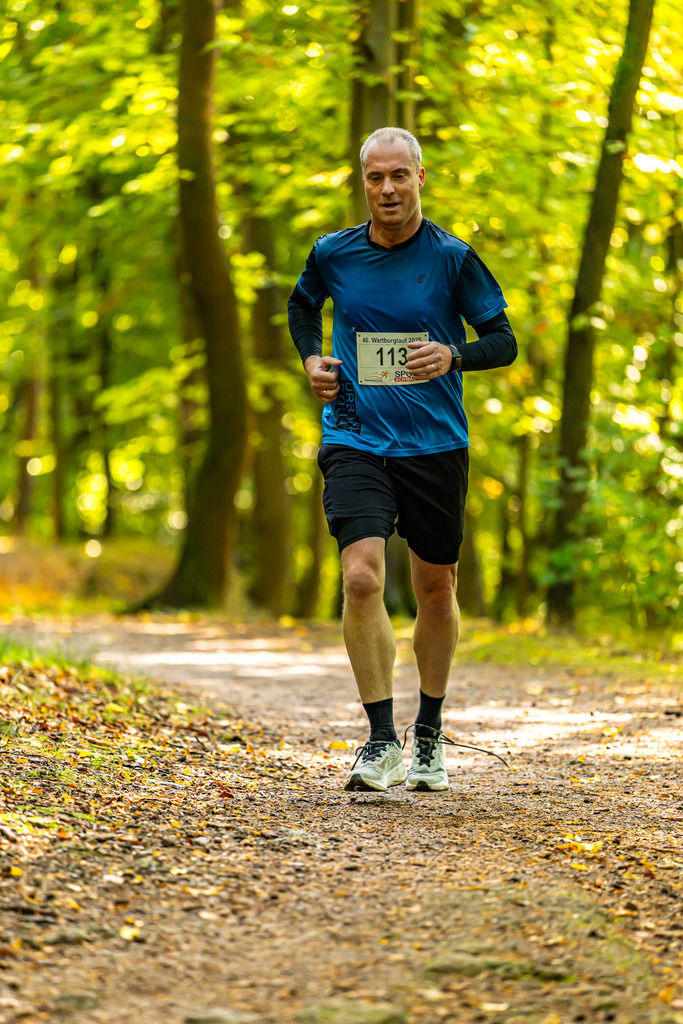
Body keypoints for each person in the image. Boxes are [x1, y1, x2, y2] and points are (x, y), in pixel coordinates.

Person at [288, 127, 517, 793]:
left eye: (398, 176)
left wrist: (453, 355)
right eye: (374, 178)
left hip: (434, 444)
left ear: (420, 178)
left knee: (434, 589)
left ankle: (429, 732)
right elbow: (302, 307)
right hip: (355, 434)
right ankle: (379, 739)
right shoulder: (333, 253)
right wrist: (311, 361)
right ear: (362, 183)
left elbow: (502, 340)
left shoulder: (452, 258)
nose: (386, 188)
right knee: (360, 577)